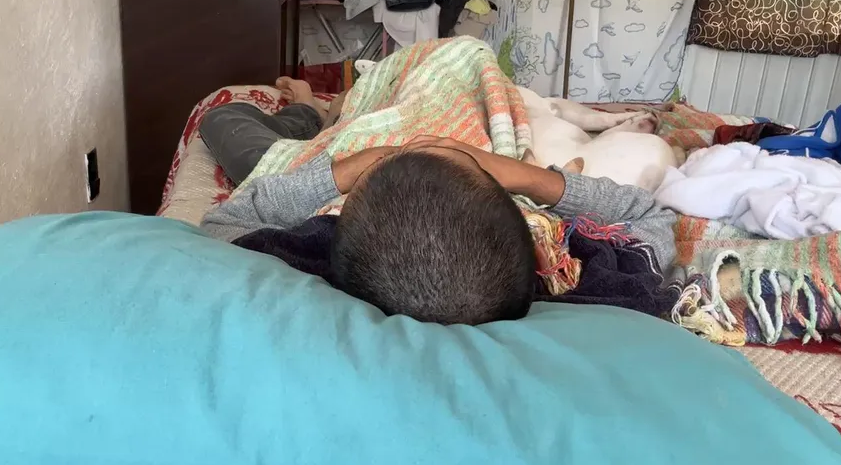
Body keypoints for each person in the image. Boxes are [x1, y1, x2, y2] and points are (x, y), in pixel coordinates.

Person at [199, 77, 676, 326]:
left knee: (222, 118)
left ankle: (312, 109)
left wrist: (342, 169)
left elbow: (224, 224)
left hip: (367, 132)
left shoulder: (297, 254)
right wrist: (521, 173)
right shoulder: (593, 280)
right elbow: (645, 213)